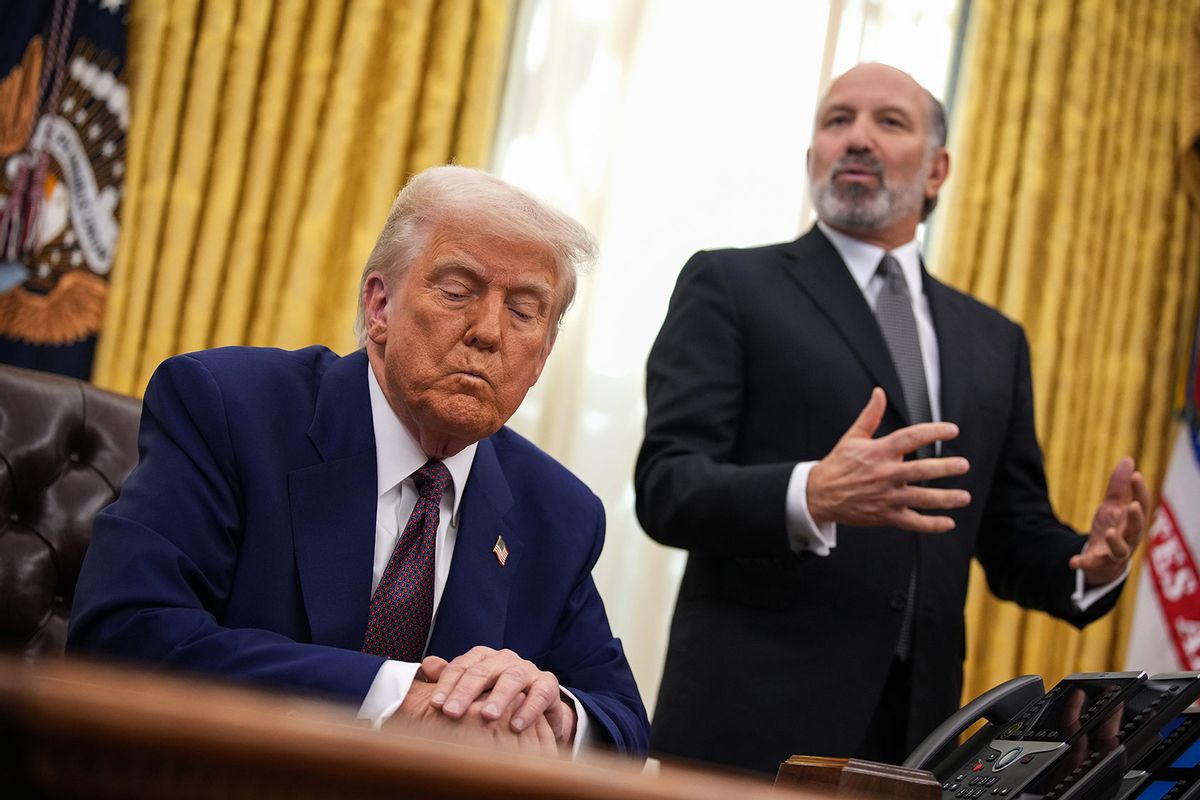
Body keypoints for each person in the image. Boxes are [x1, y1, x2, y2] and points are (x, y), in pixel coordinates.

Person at [635, 63, 1151, 775]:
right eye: (837, 120)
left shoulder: (993, 340)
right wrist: (810, 495)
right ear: (812, 155)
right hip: (749, 730)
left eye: (889, 122)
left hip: (920, 740)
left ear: (937, 169)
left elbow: (1007, 530)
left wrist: (1090, 566)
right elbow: (669, 485)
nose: (857, 139)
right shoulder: (730, 284)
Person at [68, 165, 650, 757]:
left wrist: (549, 714)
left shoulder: (558, 511)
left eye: (525, 312)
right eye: (457, 291)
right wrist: (394, 698)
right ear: (379, 306)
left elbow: (623, 724)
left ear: (545, 352)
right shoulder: (230, 408)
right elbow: (123, 631)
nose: (489, 332)